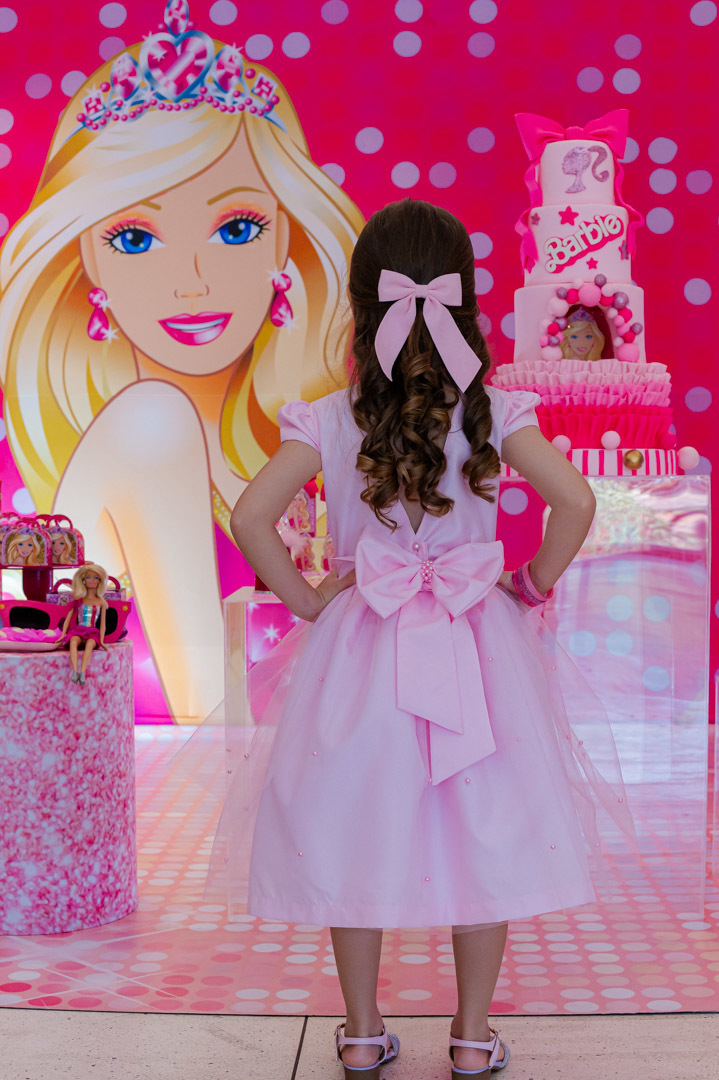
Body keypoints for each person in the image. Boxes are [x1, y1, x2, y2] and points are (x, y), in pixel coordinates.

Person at [218, 198, 637, 1078]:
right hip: (474, 643)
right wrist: (529, 582)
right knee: (482, 826)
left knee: (352, 820)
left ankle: (362, 1033)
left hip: (359, 648)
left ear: (360, 303)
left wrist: (308, 600)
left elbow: (252, 516)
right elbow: (576, 500)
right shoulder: (495, 411)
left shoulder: (329, 417)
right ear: (464, 300)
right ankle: (472, 1037)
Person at [0, 0, 363, 721]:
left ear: (285, 236)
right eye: (136, 238)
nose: (193, 282)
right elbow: (215, 726)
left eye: (236, 228)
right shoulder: (144, 430)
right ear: (86, 257)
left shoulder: (297, 426)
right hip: (207, 769)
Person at [59, 563, 109, 685]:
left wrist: (102, 641)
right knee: (73, 641)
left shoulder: (101, 602)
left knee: (90, 644)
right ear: (83, 580)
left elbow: (103, 624)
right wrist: (62, 635)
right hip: (79, 630)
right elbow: (68, 619)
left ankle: (82, 672)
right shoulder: (78, 600)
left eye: (95, 578)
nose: (92, 581)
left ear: (100, 581)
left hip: (92, 632)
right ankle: (75, 671)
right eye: (88, 577)